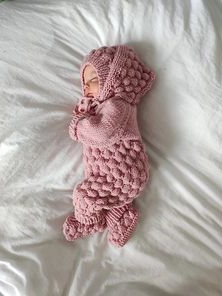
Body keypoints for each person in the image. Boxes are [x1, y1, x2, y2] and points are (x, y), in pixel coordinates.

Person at [63, 45, 155, 247]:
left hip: (124, 172)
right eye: (84, 83)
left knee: (84, 196)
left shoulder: (118, 105)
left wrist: (78, 126)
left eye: (94, 81)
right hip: (109, 174)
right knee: (99, 195)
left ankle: (90, 222)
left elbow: (102, 132)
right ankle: (120, 214)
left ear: (111, 81)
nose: (87, 88)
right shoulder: (100, 108)